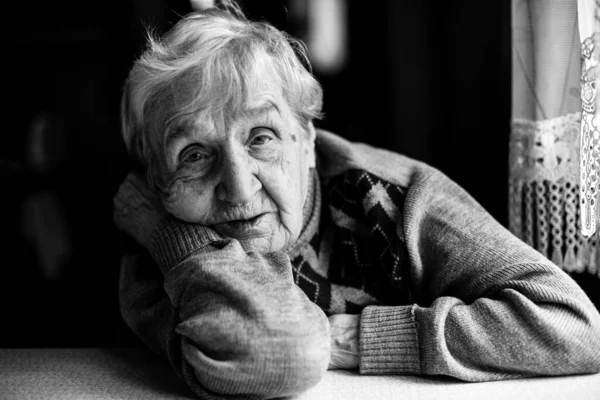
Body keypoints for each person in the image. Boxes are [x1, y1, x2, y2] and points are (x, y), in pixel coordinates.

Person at [113, 1, 600, 398]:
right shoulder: (166, 249)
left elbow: (575, 325)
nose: (240, 188)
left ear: (306, 140)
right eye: (194, 154)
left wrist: (357, 338)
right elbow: (277, 355)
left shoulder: (395, 199)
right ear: (154, 179)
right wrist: (168, 236)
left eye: (262, 137)